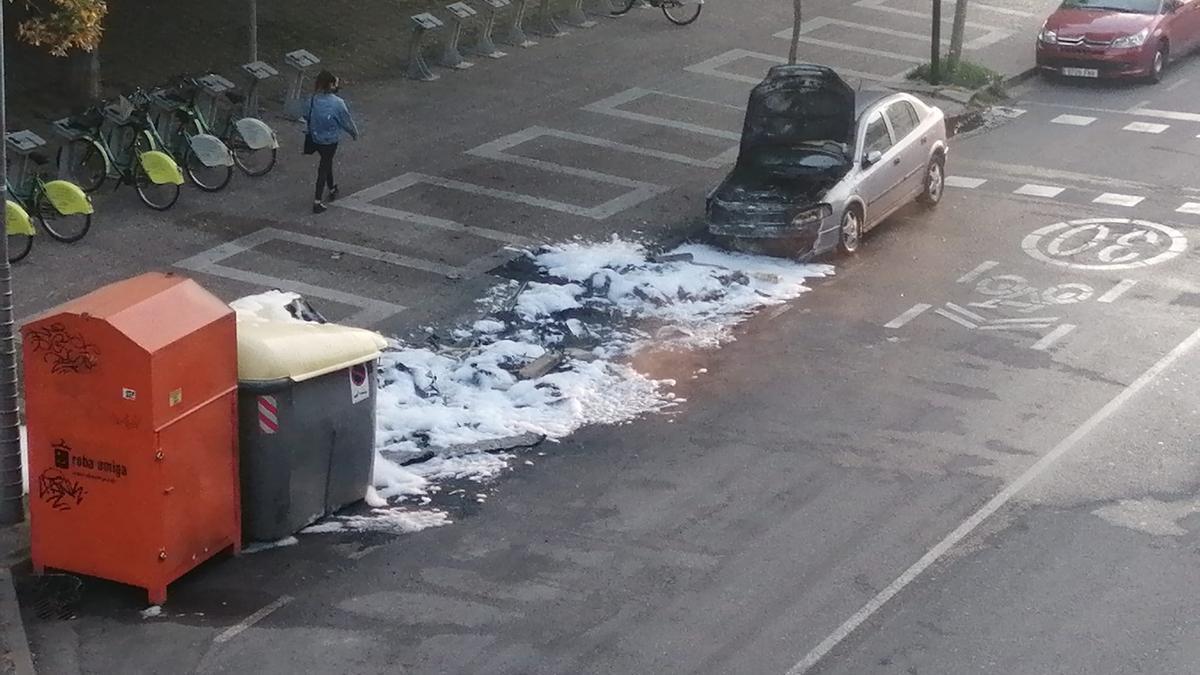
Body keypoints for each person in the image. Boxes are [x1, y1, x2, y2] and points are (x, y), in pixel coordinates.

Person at [304, 70, 359, 214]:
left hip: (315, 138)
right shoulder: (338, 103)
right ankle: (317, 201)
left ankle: (332, 187)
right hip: (330, 141)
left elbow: (305, 114)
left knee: (326, 161)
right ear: (331, 85)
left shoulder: (312, 99)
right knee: (324, 166)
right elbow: (346, 121)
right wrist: (354, 133)